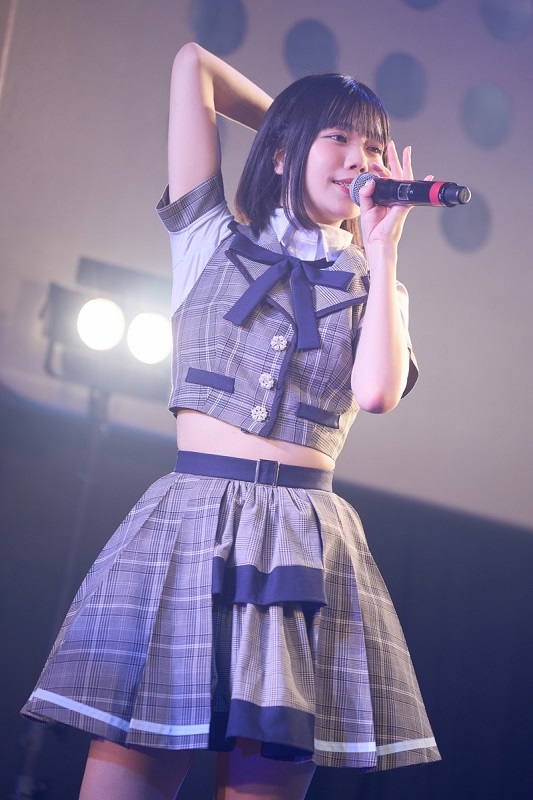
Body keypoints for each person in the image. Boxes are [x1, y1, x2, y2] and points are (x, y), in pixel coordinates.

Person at [22, 42, 441, 800]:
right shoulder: (210, 237)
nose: (361, 159)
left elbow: (378, 394)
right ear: (281, 152)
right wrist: (291, 123)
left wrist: (382, 254)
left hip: (301, 547)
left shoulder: (375, 284)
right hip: (191, 528)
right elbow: (194, 67)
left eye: (375, 147)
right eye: (340, 137)